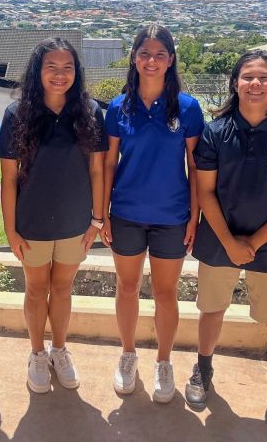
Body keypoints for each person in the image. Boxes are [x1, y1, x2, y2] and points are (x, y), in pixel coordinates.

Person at [185, 51, 267, 424]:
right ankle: (203, 370)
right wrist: (229, 242)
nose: (255, 84)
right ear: (235, 83)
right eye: (247, 77)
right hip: (219, 239)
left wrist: (253, 243)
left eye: (263, 78)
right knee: (212, 309)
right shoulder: (215, 131)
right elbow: (205, 192)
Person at [100, 24, 204, 403]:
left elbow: (196, 167)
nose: (152, 61)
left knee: (165, 292)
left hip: (172, 215)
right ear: (134, 57)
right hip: (126, 212)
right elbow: (109, 164)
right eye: (145, 53)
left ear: (171, 60)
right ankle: (128, 355)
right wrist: (103, 213)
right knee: (126, 288)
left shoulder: (188, 108)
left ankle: (164, 361)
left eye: (160, 54)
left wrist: (194, 217)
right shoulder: (118, 106)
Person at [0, 38, 107, 393]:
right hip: (31, 224)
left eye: (67, 68)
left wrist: (96, 221)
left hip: (75, 223)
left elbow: (97, 171)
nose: (60, 75)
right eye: (51, 67)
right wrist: (11, 231)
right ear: (37, 71)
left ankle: (59, 349)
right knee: (36, 288)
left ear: (77, 72)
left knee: (62, 288)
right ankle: (36, 352)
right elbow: (9, 178)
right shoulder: (18, 115)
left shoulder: (91, 112)